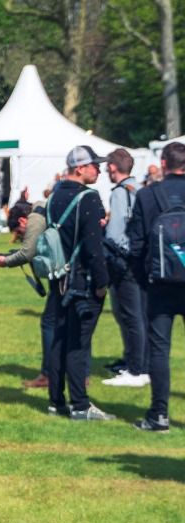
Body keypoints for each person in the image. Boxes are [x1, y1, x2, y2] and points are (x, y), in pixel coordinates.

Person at [45, 145, 113, 420]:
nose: (99, 170)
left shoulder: (53, 196)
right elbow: (93, 247)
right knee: (78, 343)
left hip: (58, 276)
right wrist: (103, 282)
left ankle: (55, 401)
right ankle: (81, 405)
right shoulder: (89, 197)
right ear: (80, 168)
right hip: (82, 280)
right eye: (95, 165)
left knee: (59, 340)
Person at [126, 140, 185, 432]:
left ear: (163, 164)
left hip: (160, 284)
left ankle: (159, 414)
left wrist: (143, 278)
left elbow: (136, 245)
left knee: (159, 350)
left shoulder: (147, 195)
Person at [101, 148, 149, 388]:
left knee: (129, 315)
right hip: (141, 259)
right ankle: (136, 361)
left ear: (113, 168)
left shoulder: (121, 193)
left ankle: (136, 368)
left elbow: (115, 233)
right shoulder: (140, 189)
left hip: (125, 261)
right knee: (139, 314)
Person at [0, 199, 52, 388]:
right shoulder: (42, 211)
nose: (20, 237)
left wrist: (6, 261)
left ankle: (48, 375)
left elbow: (27, 253)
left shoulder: (34, 218)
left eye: (19, 233)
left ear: (22, 221)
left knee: (49, 323)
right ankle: (80, 377)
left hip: (68, 277)